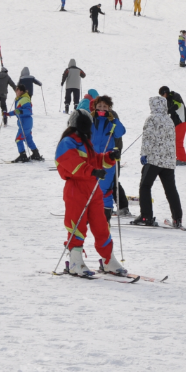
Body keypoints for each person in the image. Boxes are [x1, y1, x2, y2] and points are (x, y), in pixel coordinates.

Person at [55, 111, 124, 277]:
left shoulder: (86, 143)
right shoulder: (68, 142)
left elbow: (95, 160)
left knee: (101, 224)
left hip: (93, 189)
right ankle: (75, 260)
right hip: (76, 188)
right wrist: (92, 171)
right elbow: (72, 163)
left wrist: (109, 157)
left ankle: (108, 259)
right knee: (77, 225)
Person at [133, 95, 182, 228]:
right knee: (171, 189)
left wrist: (144, 154)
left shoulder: (151, 119)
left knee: (145, 186)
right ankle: (177, 218)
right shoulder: (169, 120)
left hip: (154, 160)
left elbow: (148, 138)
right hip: (168, 161)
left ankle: (146, 216)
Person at [91, 95, 128, 220]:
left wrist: (113, 120)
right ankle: (89, 212)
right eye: (99, 106)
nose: (102, 108)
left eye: (105, 106)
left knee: (105, 188)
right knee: (89, 186)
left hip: (107, 160)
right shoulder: (90, 119)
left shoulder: (111, 120)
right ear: (95, 107)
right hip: (92, 159)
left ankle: (105, 217)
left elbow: (120, 132)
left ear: (109, 108)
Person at [159, 86, 186, 165]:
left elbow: (177, 105)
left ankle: (183, 159)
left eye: (162, 94)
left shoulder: (175, 96)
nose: (162, 97)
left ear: (165, 93)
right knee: (173, 140)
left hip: (182, 121)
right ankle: (179, 157)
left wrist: (167, 111)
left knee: (178, 141)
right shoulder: (167, 100)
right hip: (176, 122)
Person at [11, 85, 43, 162]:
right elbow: (17, 111)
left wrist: (20, 112)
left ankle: (23, 155)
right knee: (28, 139)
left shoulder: (24, 99)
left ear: (21, 91)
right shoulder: (21, 99)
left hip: (25, 122)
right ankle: (36, 154)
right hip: (25, 122)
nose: (16, 91)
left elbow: (29, 111)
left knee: (19, 139)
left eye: (17, 89)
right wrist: (7, 114)